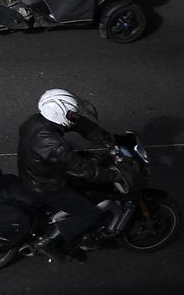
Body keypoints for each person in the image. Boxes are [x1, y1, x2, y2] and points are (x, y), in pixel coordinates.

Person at [19, 88, 115, 261]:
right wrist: (112, 176)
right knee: (92, 214)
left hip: (36, 172)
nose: (73, 117)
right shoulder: (51, 143)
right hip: (46, 186)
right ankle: (46, 241)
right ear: (58, 113)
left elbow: (81, 124)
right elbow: (82, 168)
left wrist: (106, 138)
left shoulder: (37, 120)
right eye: (70, 114)